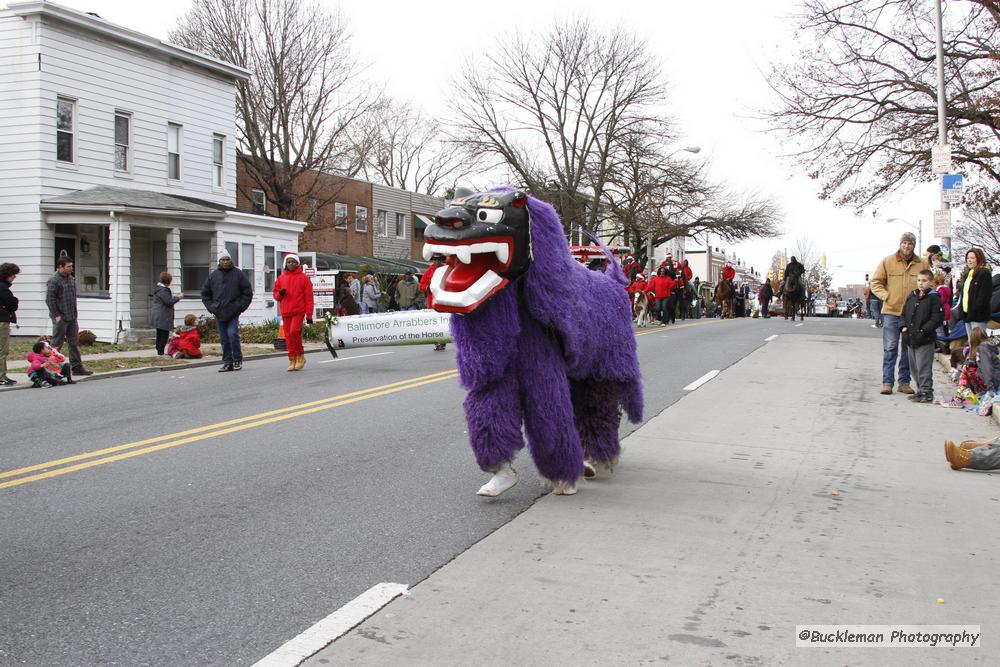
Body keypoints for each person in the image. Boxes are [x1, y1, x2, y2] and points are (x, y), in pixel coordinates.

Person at [870, 232, 929, 395]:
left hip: (913, 315)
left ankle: (904, 382)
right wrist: (886, 296)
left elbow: (927, 284)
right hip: (891, 312)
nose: (906, 246)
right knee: (890, 348)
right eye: (904, 242)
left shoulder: (922, 264)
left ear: (914, 246)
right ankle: (887, 382)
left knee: (908, 349)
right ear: (900, 244)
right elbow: (875, 282)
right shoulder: (888, 261)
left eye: (910, 243)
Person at [201, 249, 253, 372]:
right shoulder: (213, 276)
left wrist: (239, 307)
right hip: (219, 312)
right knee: (224, 338)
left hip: (233, 311)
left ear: (230, 260)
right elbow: (205, 294)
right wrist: (212, 308)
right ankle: (227, 362)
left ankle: (237, 360)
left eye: (227, 259)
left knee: (233, 334)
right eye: (222, 260)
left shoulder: (238, 274)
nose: (225, 262)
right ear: (219, 261)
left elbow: (247, 293)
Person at [900, 269, 944, 403]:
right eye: (919, 280)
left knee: (923, 366)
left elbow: (936, 318)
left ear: (930, 282)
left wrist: (923, 330)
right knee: (914, 367)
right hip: (910, 337)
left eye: (924, 281)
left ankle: (926, 391)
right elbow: (904, 313)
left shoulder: (934, 298)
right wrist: (903, 326)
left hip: (925, 338)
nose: (921, 283)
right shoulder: (912, 296)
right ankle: (920, 390)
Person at [45, 257, 93, 376]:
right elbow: (49, 299)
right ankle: (50, 368)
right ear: (60, 267)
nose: (71, 268)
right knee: (57, 343)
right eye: (68, 266)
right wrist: (56, 314)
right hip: (60, 316)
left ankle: (76, 367)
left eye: (71, 266)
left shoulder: (71, 279)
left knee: (74, 342)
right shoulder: (54, 280)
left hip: (72, 315)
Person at [273, 253, 314, 372]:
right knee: (288, 336)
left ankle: (300, 355)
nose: (291, 264)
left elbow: (309, 298)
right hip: (286, 311)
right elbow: (276, 295)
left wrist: (309, 315)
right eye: (289, 262)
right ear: (286, 263)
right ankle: (292, 359)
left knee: (294, 331)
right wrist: (280, 294)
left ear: (297, 264)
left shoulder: (303, 278)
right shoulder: (281, 278)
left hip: (298, 311)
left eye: (293, 262)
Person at [955, 247, 992, 335]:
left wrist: (975, 310)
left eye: (972, 258)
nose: (969, 260)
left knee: (979, 344)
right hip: (967, 316)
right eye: (968, 258)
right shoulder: (968, 274)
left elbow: (984, 296)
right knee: (972, 344)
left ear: (979, 259)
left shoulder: (984, 273)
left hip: (978, 317)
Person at [151, 272, 182, 359]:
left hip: (159, 314)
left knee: (160, 333)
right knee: (164, 334)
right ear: (168, 280)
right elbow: (169, 302)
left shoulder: (159, 289)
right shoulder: (163, 290)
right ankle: (160, 353)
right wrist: (178, 297)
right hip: (163, 315)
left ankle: (159, 352)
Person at [421, 254, 449, 350]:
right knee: (434, 323)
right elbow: (422, 284)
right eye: (435, 260)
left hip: (443, 300)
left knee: (442, 322)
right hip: (432, 301)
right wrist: (427, 287)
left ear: (441, 260)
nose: (436, 262)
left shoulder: (446, 269)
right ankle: (437, 341)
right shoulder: (428, 271)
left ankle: (443, 340)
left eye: (438, 260)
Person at [0, 262, 19, 386]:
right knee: (2, 349)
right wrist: (15, 300)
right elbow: (12, 304)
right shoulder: (2, 288)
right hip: (2, 321)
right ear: (8, 274)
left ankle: (3, 374)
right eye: (14, 274)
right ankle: (1, 376)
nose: (15, 277)